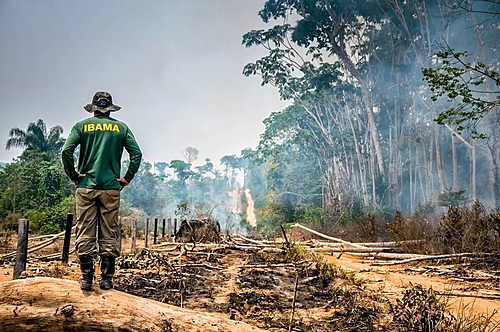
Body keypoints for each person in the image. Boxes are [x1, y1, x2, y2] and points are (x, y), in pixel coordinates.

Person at [62, 91, 142, 290]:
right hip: (111, 188)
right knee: (109, 230)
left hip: (86, 187)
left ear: (94, 108)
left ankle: (87, 278)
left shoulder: (81, 126)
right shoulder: (121, 128)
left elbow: (66, 151)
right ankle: (107, 279)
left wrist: (73, 175)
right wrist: (126, 178)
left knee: (85, 229)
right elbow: (137, 154)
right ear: (110, 109)